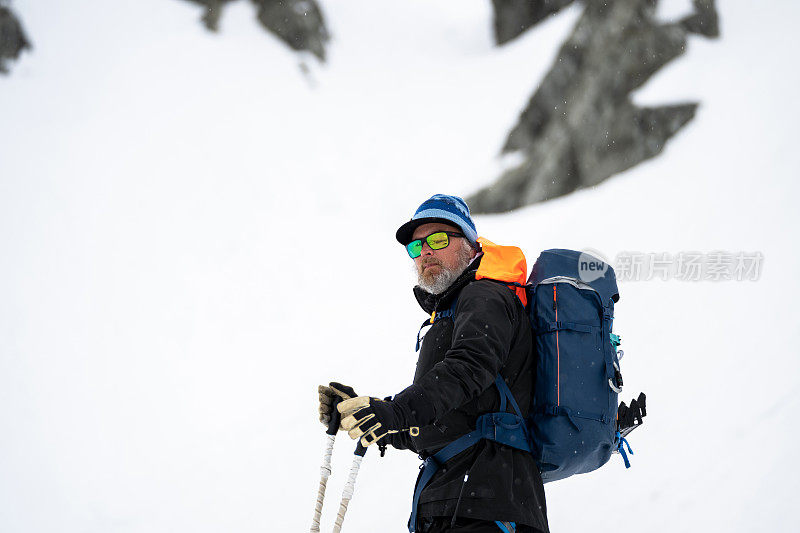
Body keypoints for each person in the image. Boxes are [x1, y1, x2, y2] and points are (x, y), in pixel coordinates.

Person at [318, 194, 549, 533]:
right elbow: (438, 423)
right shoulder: (451, 312)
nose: (425, 251)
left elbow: (468, 368)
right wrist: (370, 416)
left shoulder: (485, 296)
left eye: (438, 238)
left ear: (470, 246)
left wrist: (394, 412)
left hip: (490, 505)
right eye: (416, 246)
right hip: (457, 505)